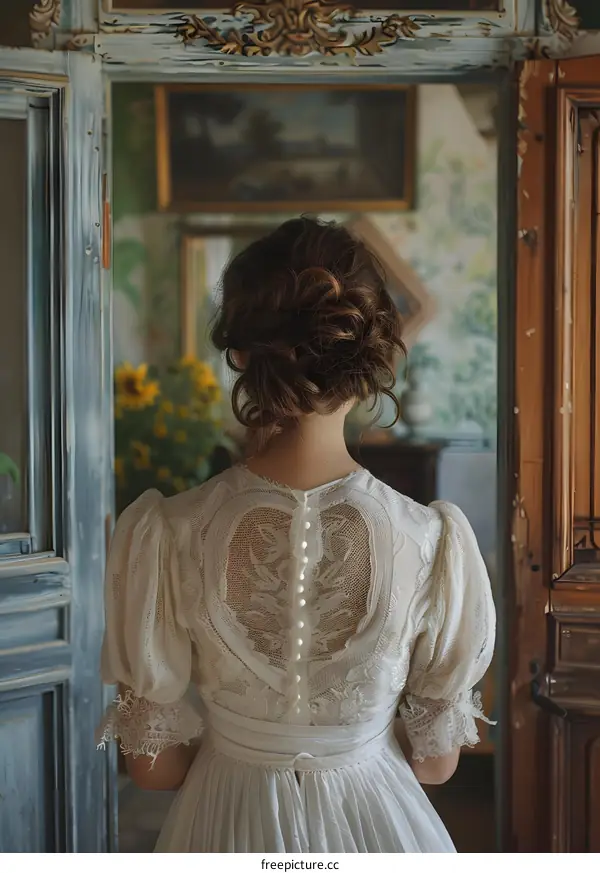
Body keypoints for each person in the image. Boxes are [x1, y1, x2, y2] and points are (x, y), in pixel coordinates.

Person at [98, 217, 495, 853]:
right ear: (368, 357)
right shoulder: (433, 542)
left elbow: (153, 768)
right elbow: (434, 765)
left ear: (243, 356)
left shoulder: (165, 532)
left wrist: (246, 753)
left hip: (223, 824)